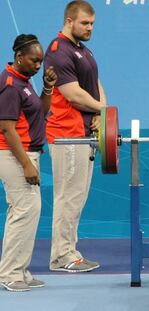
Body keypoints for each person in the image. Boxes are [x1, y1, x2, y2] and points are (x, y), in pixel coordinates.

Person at [43, 0, 106, 273]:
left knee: (76, 197)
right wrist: (103, 109)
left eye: (92, 23)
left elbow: (95, 85)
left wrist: (101, 114)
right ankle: (61, 257)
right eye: (84, 23)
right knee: (67, 197)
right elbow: (72, 93)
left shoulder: (83, 51)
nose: (89, 27)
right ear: (69, 21)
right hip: (67, 136)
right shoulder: (58, 51)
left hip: (83, 135)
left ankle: (70, 251)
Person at [0, 34, 57, 291]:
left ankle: (20, 270)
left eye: (40, 62)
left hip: (27, 154)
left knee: (29, 213)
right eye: (34, 61)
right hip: (14, 155)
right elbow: (7, 129)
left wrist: (47, 87)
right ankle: (10, 273)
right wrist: (25, 164)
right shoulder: (10, 84)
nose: (38, 66)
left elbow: (41, 112)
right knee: (22, 212)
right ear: (19, 56)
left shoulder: (25, 81)